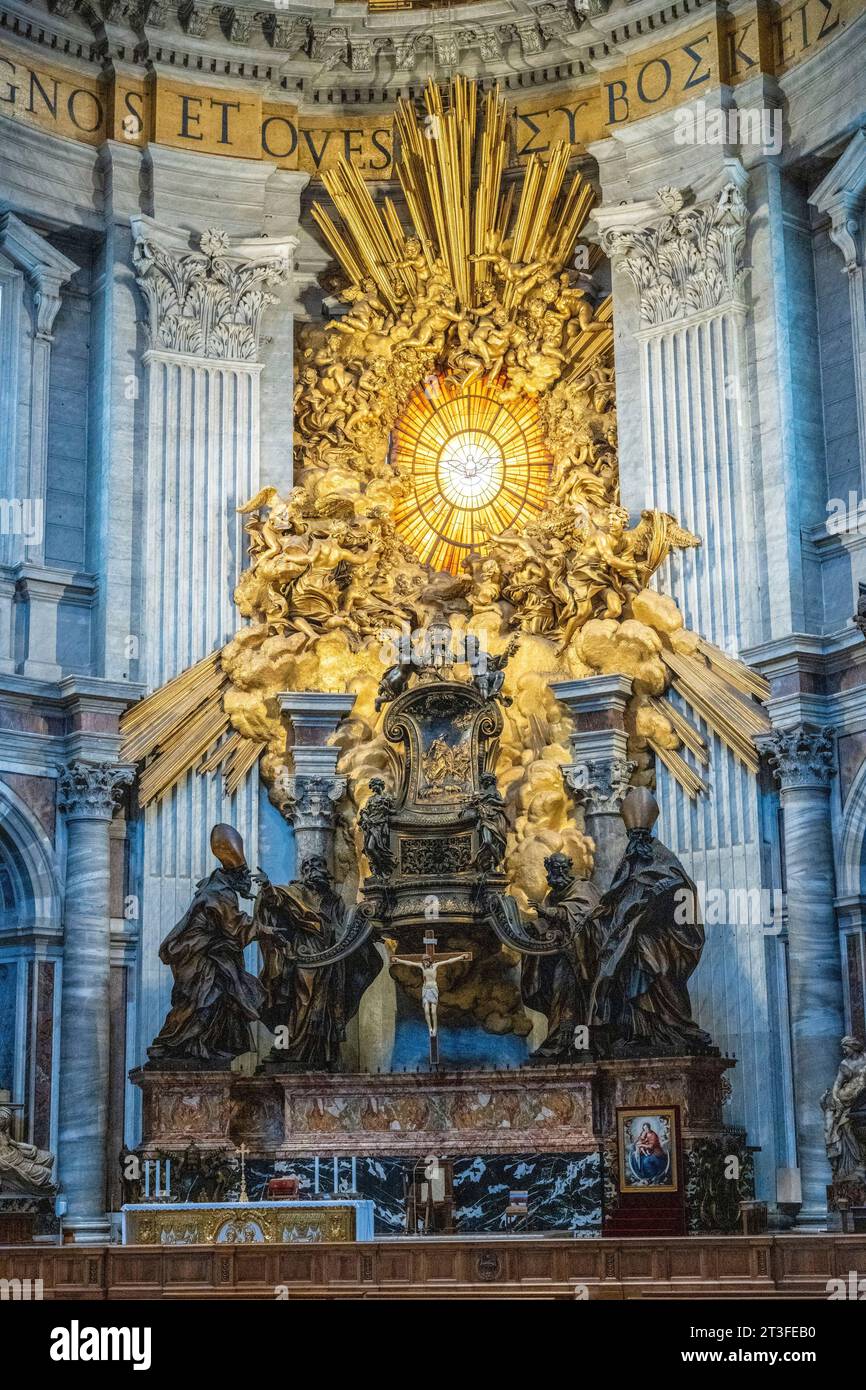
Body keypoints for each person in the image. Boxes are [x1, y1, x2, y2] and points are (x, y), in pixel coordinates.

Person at [589, 787, 712, 1054]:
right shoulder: (630, 862)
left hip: (660, 936)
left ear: (648, 836)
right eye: (632, 835)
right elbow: (616, 895)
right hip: (632, 936)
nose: (636, 840)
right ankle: (640, 1033)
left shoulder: (662, 857)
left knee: (658, 973)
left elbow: (681, 887)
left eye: (640, 835)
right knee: (629, 978)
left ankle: (673, 1027)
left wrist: (658, 895)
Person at [148, 824, 268, 1063]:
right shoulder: (219, 893)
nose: (247, 884)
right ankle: (173, 1044)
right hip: (198, 958)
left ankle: (202, 1047)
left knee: (218, 1001)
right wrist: (266, 930)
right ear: (236, 877)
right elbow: (235, 926)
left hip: (207, 956)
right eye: (245, 879)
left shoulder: (216, 885)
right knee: (200, 1002)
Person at [255, 856, 382, 1069]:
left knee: (330, 1006)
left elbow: (345, 927)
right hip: (306, 955)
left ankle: (325, 1054)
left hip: (332, 959)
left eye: (320, 867)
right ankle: (291, 1049)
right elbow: (277, 899)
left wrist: (366, 935)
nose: (316, 872)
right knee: (303, 1001)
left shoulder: (333, 899)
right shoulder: (296, 892)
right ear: (305, 872)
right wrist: (267, 886)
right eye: (311, 868)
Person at [0, 1106, 54, 1194]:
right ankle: (37, 1186)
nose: (3, 1121)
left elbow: (16, 1144)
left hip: (17, 1155)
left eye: (4, 1119)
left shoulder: (4, 1134)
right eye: (1, 1118)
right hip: (10, 1163)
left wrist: (32, 1147)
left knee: (49, 1157)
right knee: (46, 1173)